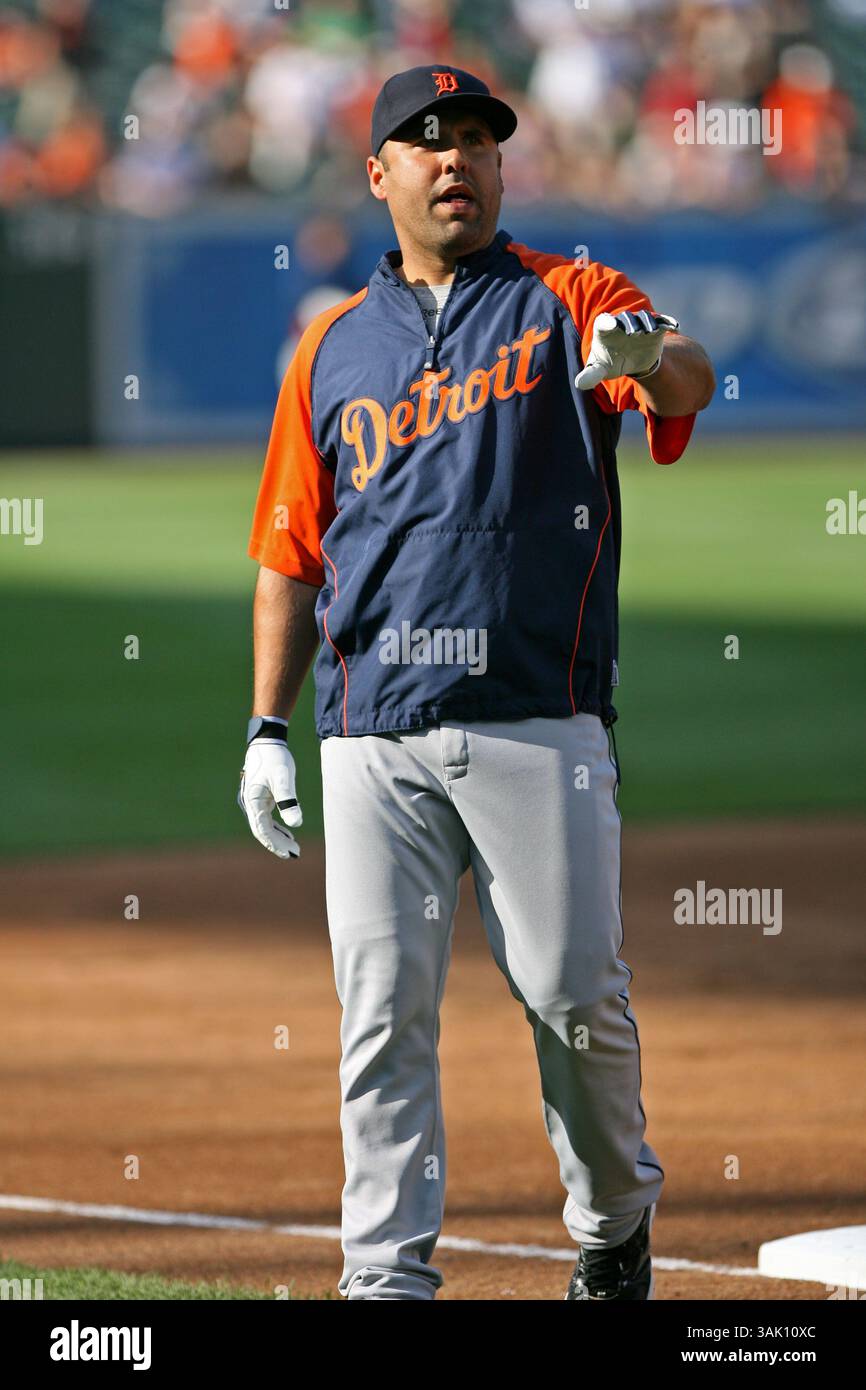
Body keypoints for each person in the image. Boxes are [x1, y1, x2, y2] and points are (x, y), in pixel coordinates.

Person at [239, 64, 715, 1302]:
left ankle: (611, 1224)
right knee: (379, 1018)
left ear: (501, 169)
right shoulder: (330, 348)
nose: (454, 158)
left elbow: (685, 384)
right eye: (426, 141)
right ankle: (383, 1275)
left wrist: (651, 351)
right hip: (369, 731)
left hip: (534, 715)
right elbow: (290, 552)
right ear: (379, 174)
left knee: (572, 1001)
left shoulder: (572, 297)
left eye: (475, 142)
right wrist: (263, 727)